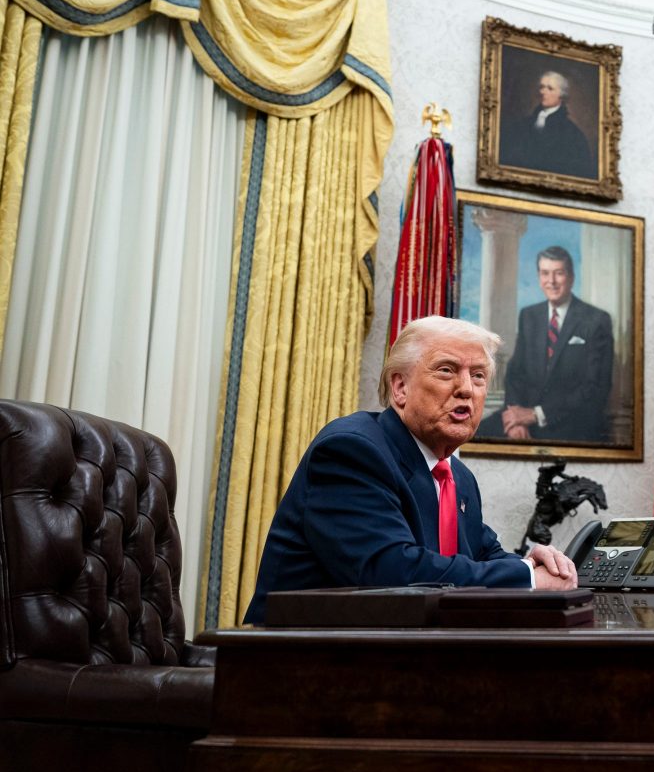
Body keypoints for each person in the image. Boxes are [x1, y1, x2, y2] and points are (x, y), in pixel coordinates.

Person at [244, 316, 577, 624]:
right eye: (447, 370)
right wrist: (528, 578)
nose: (466, 389)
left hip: (398, 657)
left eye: (478, 376)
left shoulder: (457, 477)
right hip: (298, 664)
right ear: (400, 388)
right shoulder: (352, 450)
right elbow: (392, 574)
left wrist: (534, 562)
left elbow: (484, 554)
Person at [478, 246, 614, 443]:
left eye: (559, 273)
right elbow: (516, 374)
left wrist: (536, 414)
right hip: (524, 417)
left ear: (571, 277)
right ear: (539, 277)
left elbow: (595, 388)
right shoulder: (529, 315)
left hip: (570, 422)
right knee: (473, 435)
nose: (551, 281)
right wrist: (516, 420)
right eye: (545, 273)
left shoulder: (596, 320)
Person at [498, 70, 596, 179]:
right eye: (542, 87)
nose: (543, 92)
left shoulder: (573, 134)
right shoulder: (522, 125)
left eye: (550, 88)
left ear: (561, 95)